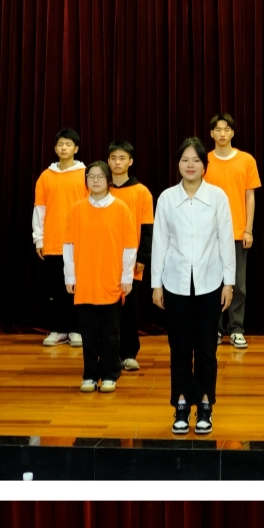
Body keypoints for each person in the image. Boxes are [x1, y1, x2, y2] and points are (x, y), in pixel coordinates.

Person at [152, 137, 235, 435]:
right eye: (185, 160)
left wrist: (229, 282)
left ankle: (205, 404)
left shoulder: (217, 197)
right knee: (179, 348)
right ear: (178, 164)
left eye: (196, 160)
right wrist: (156, 284)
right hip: (174, 283)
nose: (190, 165)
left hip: (210, 282)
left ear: (204, 165)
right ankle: (181, 403)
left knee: (206, 349)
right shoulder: (166, 198)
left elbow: (226, 240)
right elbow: (160, 242)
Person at [61, 158, 139, 393]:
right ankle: (89, 375)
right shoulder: (77, 209)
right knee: (88, 332)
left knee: (110, 333)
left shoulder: (121, 208)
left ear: (109, 180)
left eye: (100, 177)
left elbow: (129, 246)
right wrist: (70, 277)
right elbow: (69, 246)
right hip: (85, 281)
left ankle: (109, 374)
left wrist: (126, 277)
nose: (95, 181)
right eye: (91, 177)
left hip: (111, 281)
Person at [204, 112, 259, 347]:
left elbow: (250, 196)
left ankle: (236, 328)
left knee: (238, 283)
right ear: (211, 133)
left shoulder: (246, 160)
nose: (222, 133)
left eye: (226, 129)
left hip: (237, 232)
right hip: (209, 233)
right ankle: (214, 329)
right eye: (218, 129)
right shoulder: (204, 161)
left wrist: (248, 229)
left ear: (233, 132)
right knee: (212, 283)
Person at [31, 126, 89, 347]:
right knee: (55, 289)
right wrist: (39, 238)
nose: (64, 148)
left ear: (76, 148)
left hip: (79, 242)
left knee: (77, 288)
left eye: (68, 144)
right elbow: (40, 209)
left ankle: (76, 330)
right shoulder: (46, 176)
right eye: (60, 144)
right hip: (54, 242)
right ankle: (57, 329)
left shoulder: (86, 174)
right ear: (55, 148)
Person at [104, 142, 154, 372]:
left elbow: (147, 227)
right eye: (113, 158)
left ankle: (129, 353)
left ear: (130, 161)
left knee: (129, 311)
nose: (117, 162)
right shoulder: (101, 189)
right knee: (106, 311)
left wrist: (142, 257)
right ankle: (109, 354)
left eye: (122, 158)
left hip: (130, 262)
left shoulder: (141, 192)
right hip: (104, 260)